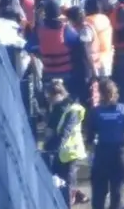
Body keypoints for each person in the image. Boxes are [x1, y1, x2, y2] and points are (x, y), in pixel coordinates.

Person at [87, 79, 124, 209]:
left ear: (100, 94)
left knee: (98, 194)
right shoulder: (123, 110)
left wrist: (90, 155)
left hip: (102, 155)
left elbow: (90, 138)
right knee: (117, 193)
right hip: (119, 156)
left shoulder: (95, 112)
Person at [43, 79, 88, 208]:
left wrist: (48, 148)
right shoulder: (60, 107)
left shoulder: (70, 110)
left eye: (50, 97)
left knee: (67, 186)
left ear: (58, 94)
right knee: (63, 184)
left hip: (69, 153)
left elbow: (63, 133)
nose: (49, 101)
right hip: (62, 153)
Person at [25, 1, 79, 84]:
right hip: (67, 73)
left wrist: (41, 53)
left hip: (49, 73)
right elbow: (78, 44)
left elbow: (29, 48)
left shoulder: (39, 31)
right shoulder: (66, 30)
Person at [65, 6, 100, 110]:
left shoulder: (85, 30)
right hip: (85, 68)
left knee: (86, 99)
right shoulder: (80, 29)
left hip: (87, 69)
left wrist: (93, 71)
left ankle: (88, 123)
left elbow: (85, 51)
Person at [84, 0, 114, 78]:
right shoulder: (105, 19)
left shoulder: (88, 22)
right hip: (107, 62)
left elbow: (85, 45)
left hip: (94, 65)